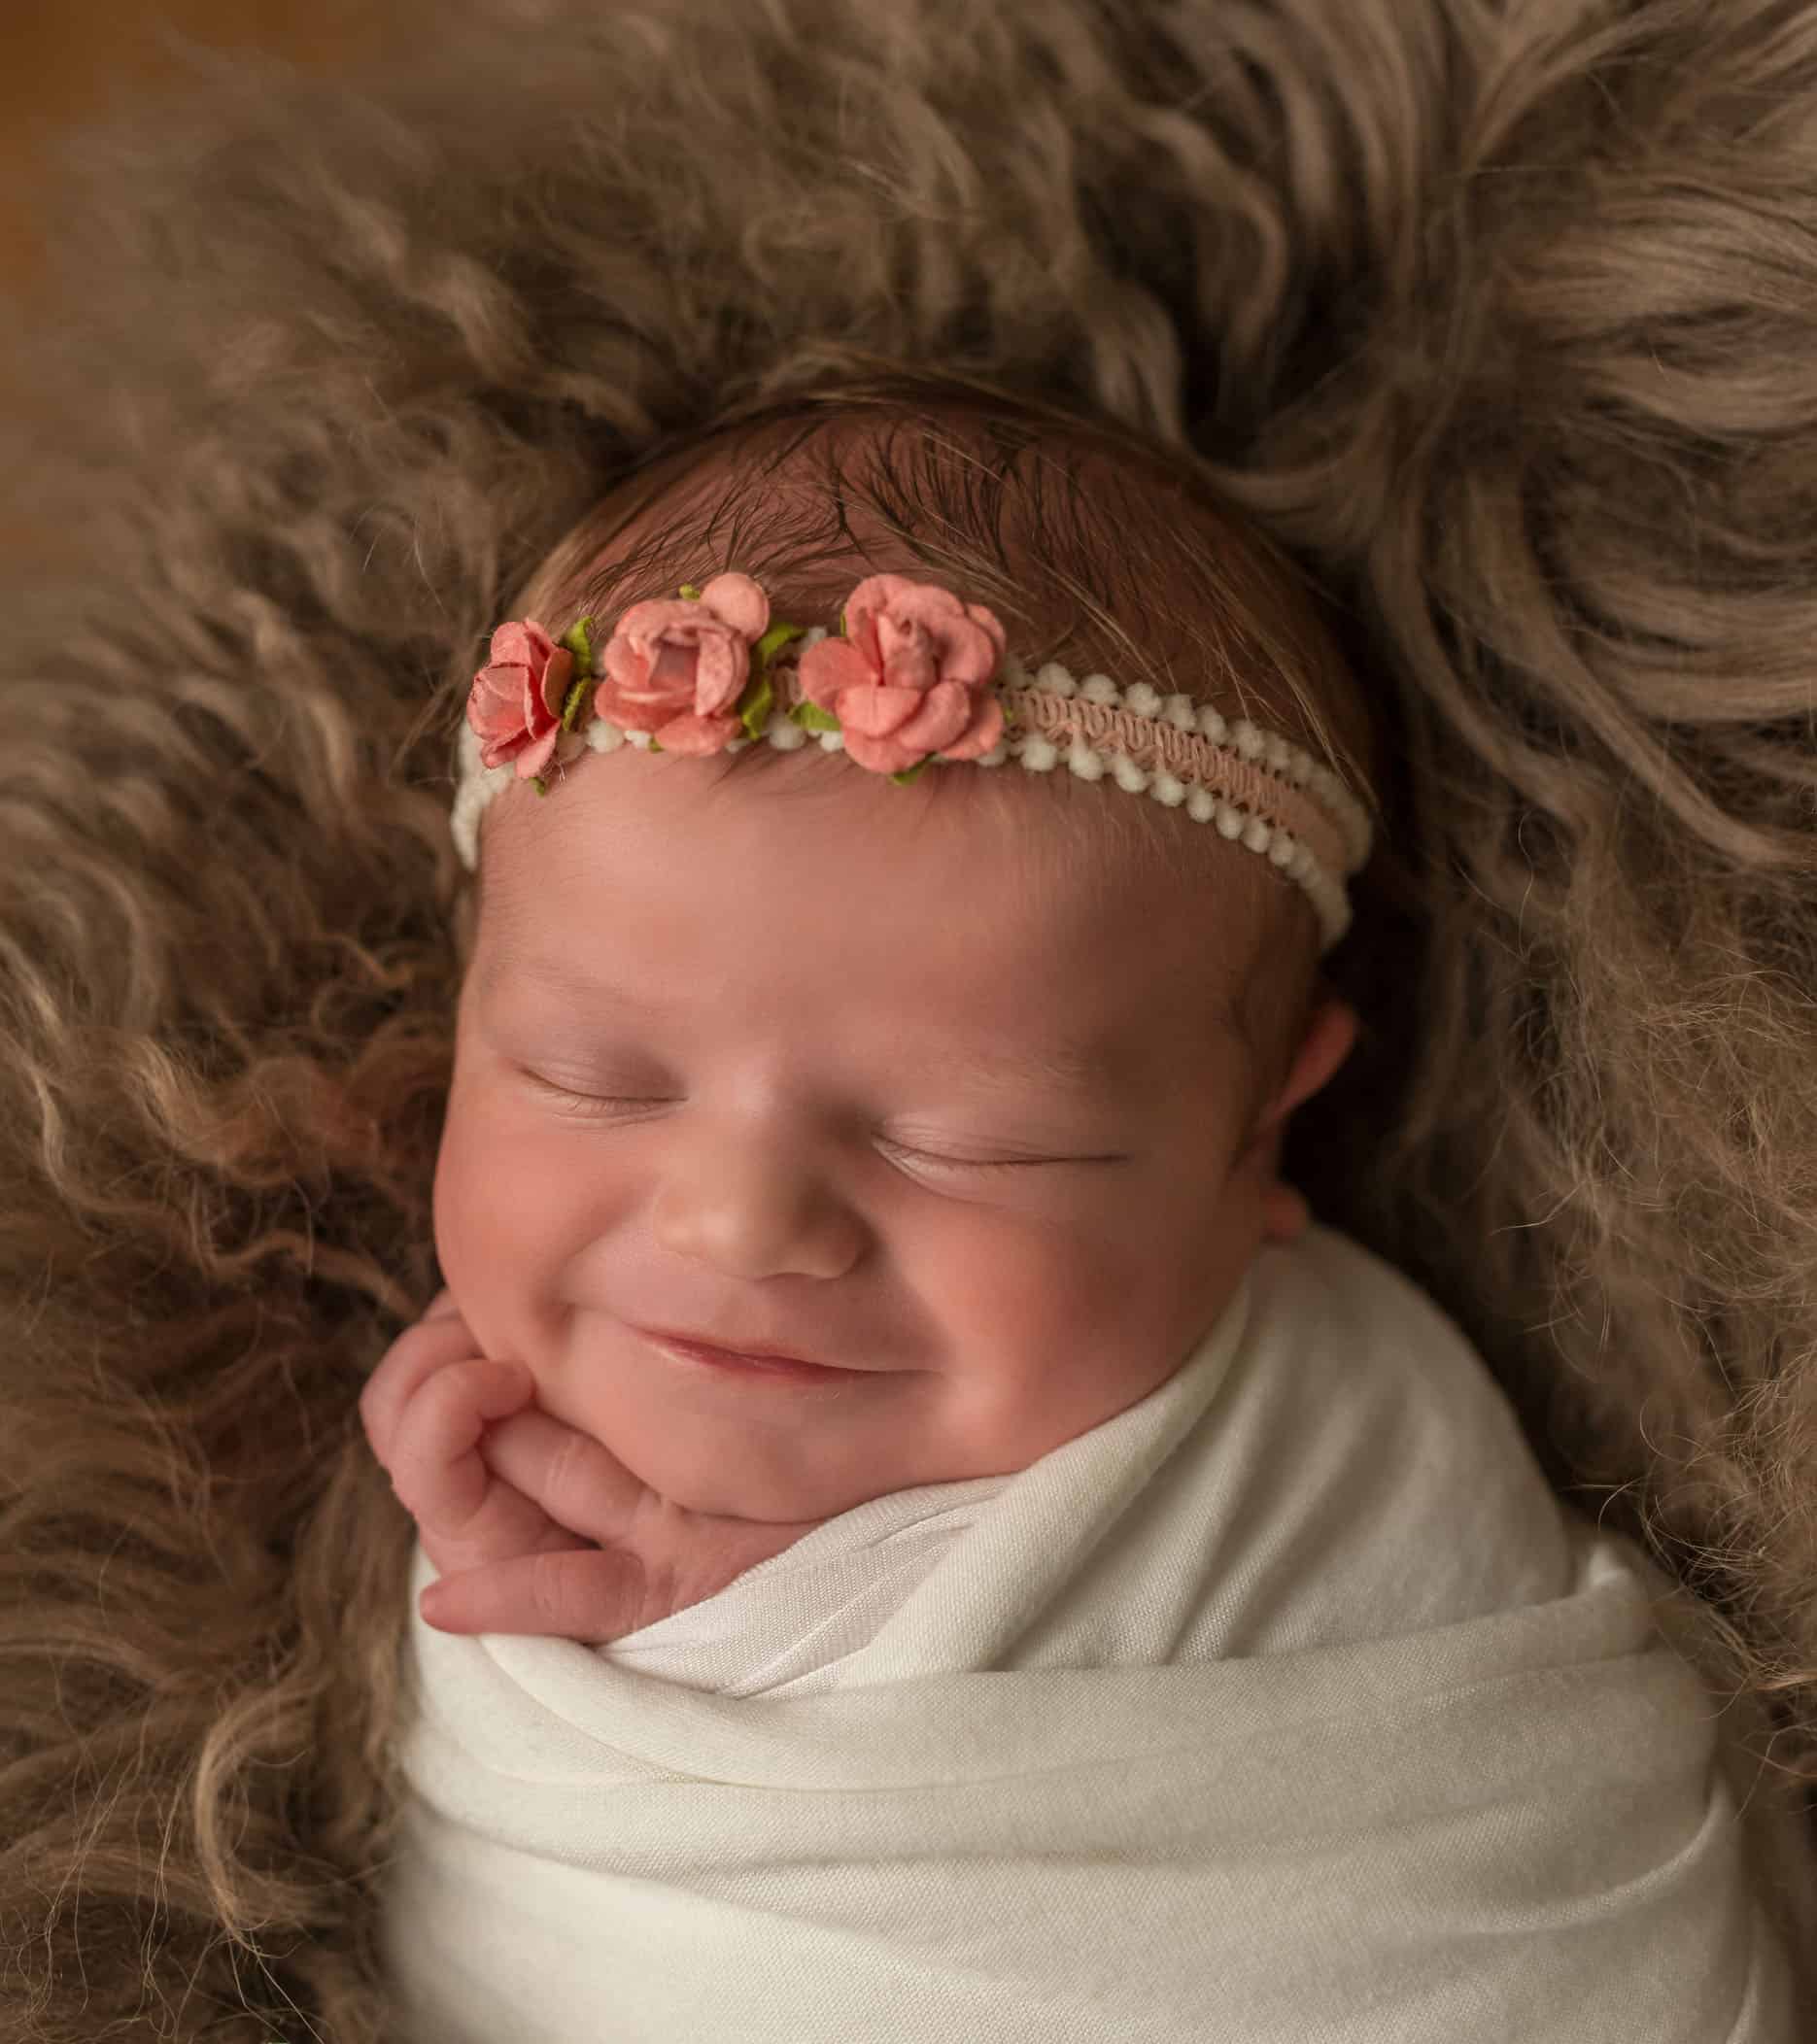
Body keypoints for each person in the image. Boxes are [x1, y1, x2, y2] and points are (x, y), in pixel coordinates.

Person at [355, 389, 1804, 2038]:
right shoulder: (448, 1436)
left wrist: (741, 1628)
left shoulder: (1341, 1441)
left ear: (1259, 1134)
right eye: (591, 1078)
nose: (741, 1225)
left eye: (972, 1144)